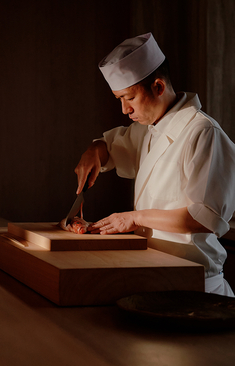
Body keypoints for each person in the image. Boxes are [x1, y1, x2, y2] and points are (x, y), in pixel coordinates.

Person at [75, 32, 235, 297]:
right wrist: (94, 149)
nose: (124, 110)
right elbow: (114, 147)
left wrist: (134, 218)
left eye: (130, 98)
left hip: (197, 285)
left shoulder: (203, 132)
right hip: (156, 277)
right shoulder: (151, 128)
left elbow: (205, 217)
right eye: (119, 100)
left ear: (158, 87)